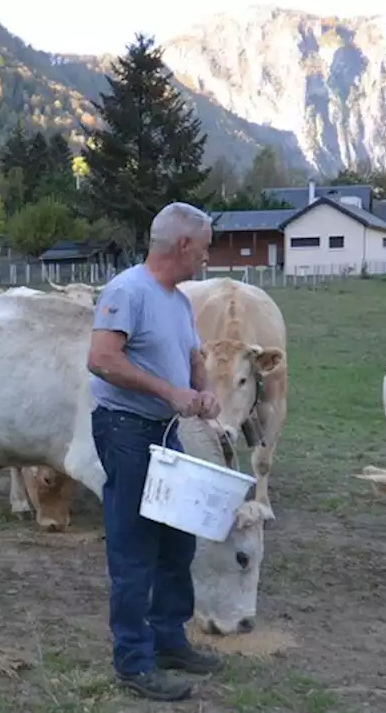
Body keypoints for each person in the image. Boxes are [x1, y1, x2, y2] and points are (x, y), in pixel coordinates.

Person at [85, 201, 223, 701]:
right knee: (135, 548)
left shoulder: (178, 301)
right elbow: (101, 360)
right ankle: (133, 662)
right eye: (204, 248)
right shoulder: (128, 291)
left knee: (175, 543)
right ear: (183, 245)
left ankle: (168, 640)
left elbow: (190, 356)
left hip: (165, 432)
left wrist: (202, 390)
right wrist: (171, 393)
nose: (206, 259)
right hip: (126, 430)